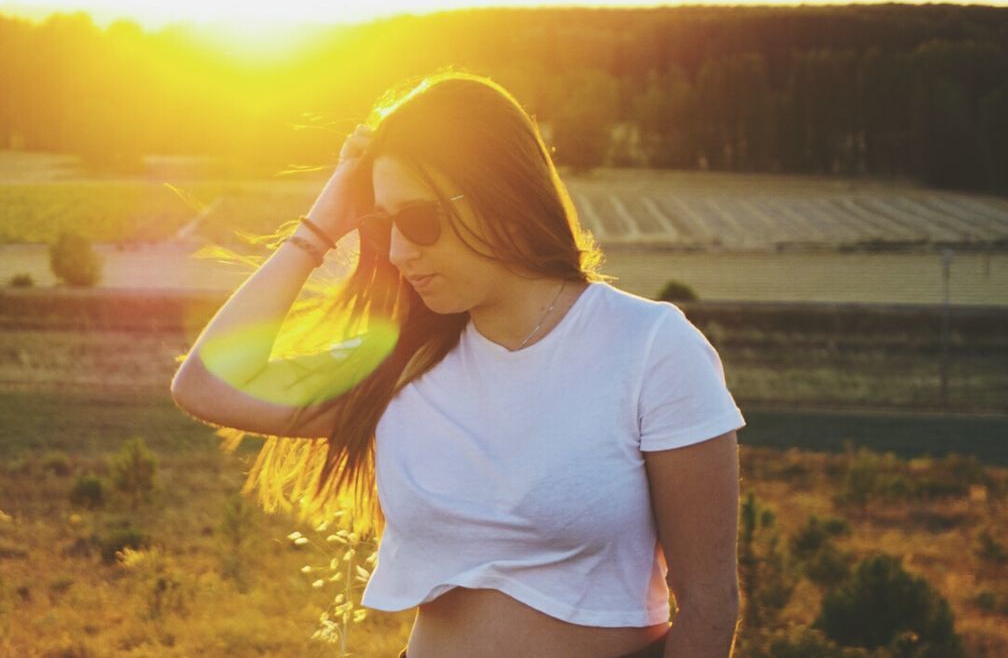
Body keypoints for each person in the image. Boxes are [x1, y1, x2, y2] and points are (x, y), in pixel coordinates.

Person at [171, 73, 746, 658]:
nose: (397, 251)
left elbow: (709, 603)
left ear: (502, 198)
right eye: (383, 224)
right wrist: (322, 224)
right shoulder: (402, 363)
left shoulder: (651, 346)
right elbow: (206, 385)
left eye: (418, 220)